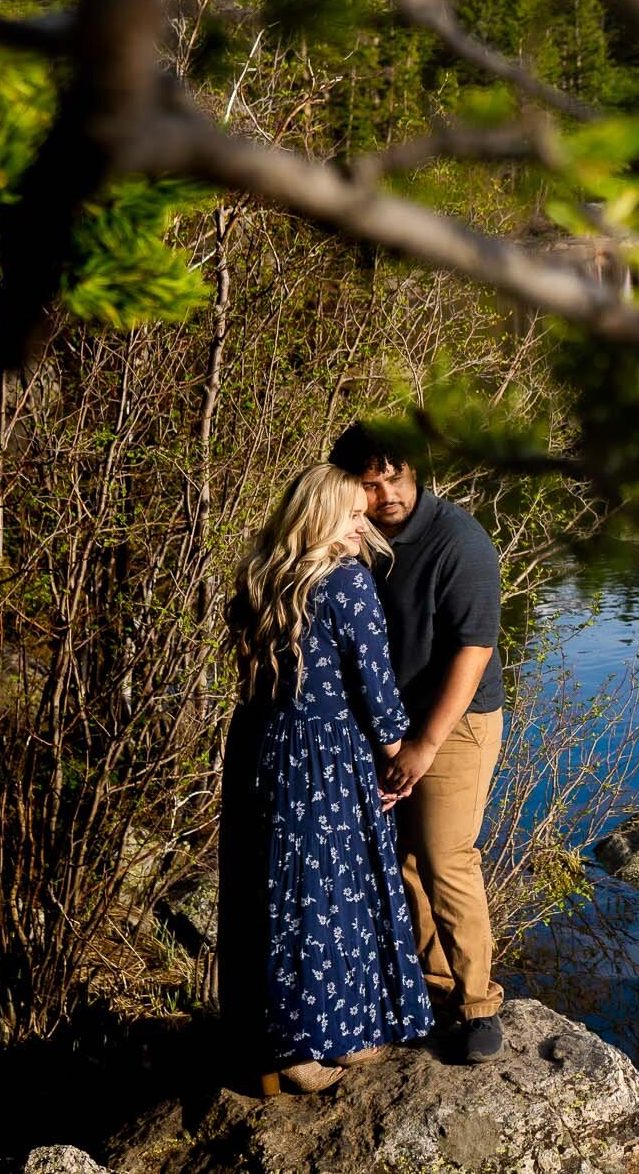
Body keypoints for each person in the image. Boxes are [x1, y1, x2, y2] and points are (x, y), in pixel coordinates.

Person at [220, 463, 436, 1094]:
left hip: (261, 748)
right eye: (349, 513)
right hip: (325, 756)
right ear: (318, 519)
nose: (362, 521)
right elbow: (375, 687)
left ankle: (277, 1038)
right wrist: (401, 755)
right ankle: (309, 1041)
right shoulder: (346, 584)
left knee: (268, 887)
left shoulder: (261, 577)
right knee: (324, 890)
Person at [328, 423, 508, 1062]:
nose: (387, 494)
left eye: (395, 477)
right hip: (390, 723)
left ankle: (481, 1003)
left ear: (415, 471)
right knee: (400, 857)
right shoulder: (361, 540)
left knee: (446, 855)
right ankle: (434, 988)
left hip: (454, 722)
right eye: (371, 485)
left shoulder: (460, 542)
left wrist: (426, 743)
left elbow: (475, 651)